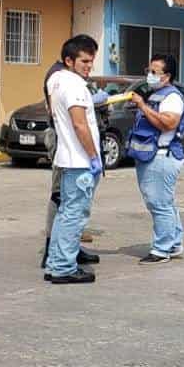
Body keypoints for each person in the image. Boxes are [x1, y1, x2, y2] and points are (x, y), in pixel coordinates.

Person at [43, 35, 105, 284]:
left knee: (65, 213)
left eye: (91, 61)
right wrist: (93, 156)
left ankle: (55, 262)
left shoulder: (55, 80)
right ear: (69, 60)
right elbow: (80, 124)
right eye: (84, 61)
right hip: (79, 161)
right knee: (74, 215)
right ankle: (64, 267)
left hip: (66, 158)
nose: (89, 66)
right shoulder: (75, 85)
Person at [126, 56, 184, 264]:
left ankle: (162, 249)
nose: (150, 76)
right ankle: (174, 243)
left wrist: (143, 106)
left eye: (155, 72)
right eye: (149, 70)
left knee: (159, 203)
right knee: (166, 203)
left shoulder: (172, 97)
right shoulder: (156, 94)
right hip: (151, 156)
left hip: (162, 157)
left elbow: (169, 123)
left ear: (167, 76)